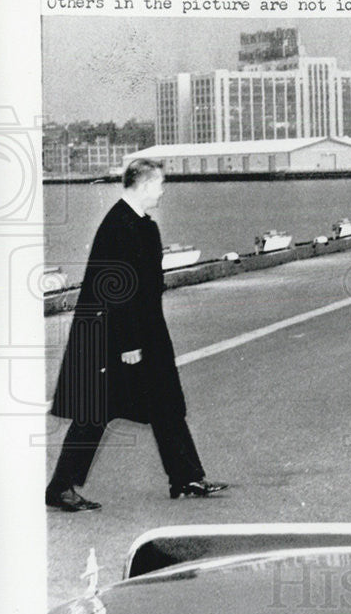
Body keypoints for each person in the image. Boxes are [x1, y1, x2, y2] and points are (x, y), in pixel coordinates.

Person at [46, 159, 227, 511]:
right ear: (144, 185)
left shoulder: (137, 223)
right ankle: (60, 487)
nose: (162, 191)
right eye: (159, 184)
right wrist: (130, 342)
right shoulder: (120, 225)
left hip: (139, 331)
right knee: (96, 411)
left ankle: (186, 477)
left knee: (164, 403)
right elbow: (117, 288)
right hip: (117, 337)